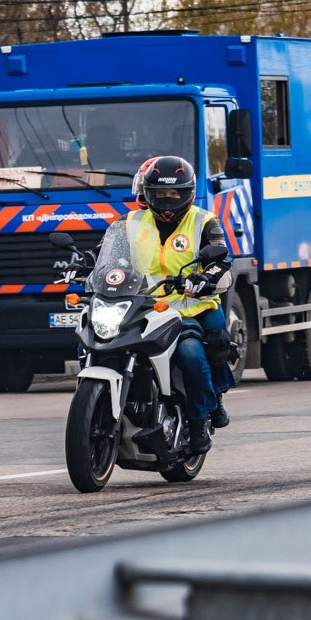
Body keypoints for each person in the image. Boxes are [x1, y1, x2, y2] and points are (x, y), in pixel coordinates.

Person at [127, 156, 236, 455]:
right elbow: (109, 254)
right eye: (160, 194)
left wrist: (206, 278)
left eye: (174, 194)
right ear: (148, 193)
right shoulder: (132, 221)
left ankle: (201, 416)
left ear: (186, 193)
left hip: (192, 306)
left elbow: (221, 261)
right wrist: (86, 265)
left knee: (197, 349)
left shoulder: (204, 221)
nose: (166, 200)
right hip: (145, 307)